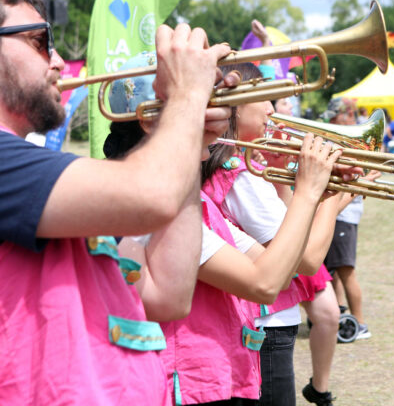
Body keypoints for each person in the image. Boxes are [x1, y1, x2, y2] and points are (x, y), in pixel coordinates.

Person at [0, 0, 237, 404]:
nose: (57, 61)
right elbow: (152, 195)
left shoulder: (22, 173)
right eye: (40, 42)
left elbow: (168, 295)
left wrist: (193, 141)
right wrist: (186, 96)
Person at [107, 59, 342, 405]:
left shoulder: (193, 200)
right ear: (149, 121)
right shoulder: (159, 209)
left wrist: (317, 192)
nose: (220, 120)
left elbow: (281, 267)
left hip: (215, 381)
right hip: (182, 387)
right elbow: (263, 283)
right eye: (204, 109)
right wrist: (312, 194)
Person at [202, 64, 359, 406]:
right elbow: (308, 259)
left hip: (265, 321)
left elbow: (290, 228)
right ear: (235, 106)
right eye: (264, 100)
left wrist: (293, 185)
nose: (272, 109)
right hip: (266, 324)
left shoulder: (245, 170)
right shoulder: (238, 179)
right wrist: (334, 201)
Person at [320, 99, 382, 341]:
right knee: (333, 269)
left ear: (347, 117)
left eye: (336, 116)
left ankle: (361, 322)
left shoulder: (354, 141)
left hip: (344, 213)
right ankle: (338, 312)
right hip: (339, 210)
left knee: (345, 269)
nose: (332, 121)